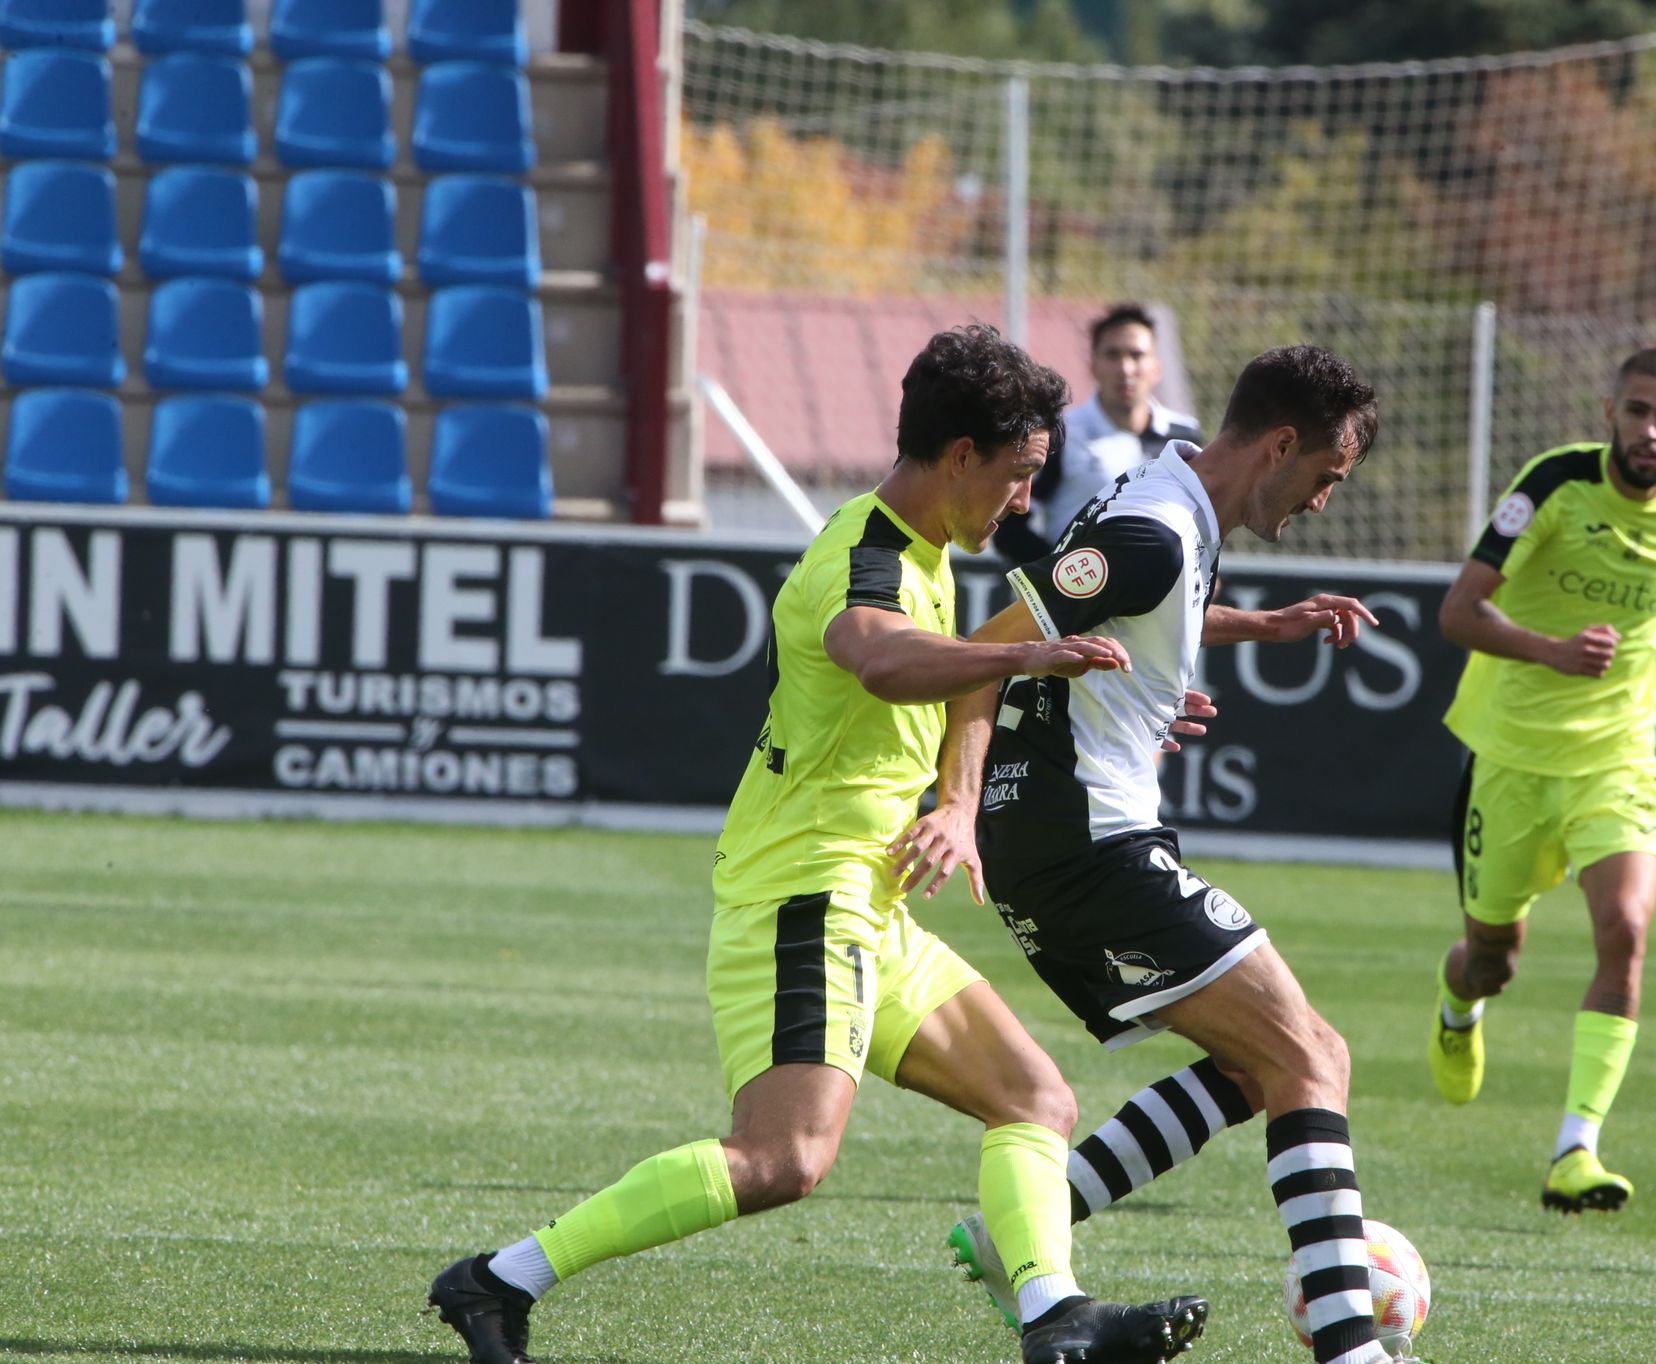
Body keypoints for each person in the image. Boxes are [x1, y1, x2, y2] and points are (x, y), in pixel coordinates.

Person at [425, 325, 1208, 1364]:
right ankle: (498, 1277)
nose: (1026, 500)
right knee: (783, 1156)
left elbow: (967, 674)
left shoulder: (926, 553)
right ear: (961, 454)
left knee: (1033, 1097)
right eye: (1018, 475)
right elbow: (876, 657)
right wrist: (1031, 652)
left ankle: (1053, 1316)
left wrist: (958, 804)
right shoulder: (866, 551)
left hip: (866, 900)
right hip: (806, 894)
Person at [907, 346, 1405, 1364]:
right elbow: (985, 655)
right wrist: (955, 801)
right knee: (1308, 1057)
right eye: (1324, 475)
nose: (1319, 502)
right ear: (1277, 444)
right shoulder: (1153, 527)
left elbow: (1132, 611)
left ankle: (1022, 1236)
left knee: (1262, 1056)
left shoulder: (1170, 494)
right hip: (1081, 838)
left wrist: (1258, 625)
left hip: (1075, 833)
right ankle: (1351, 1347)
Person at [1427, 347, 1656, 1215]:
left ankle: (1576, 1151)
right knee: (1494, 959)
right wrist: (1552, 651)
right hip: (1514, 758)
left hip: (1619, 761)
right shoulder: (1555, 483)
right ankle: (1458, 1006)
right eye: (1637, 411)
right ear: (1610, 410)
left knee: (1627, 931)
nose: (1650, 430)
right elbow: (1458, 613)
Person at [994, 302, 1202, 563]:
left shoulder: (1184, 437)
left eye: (1136, 355)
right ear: (1093, 365)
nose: (1125, 369)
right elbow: (1010, 529)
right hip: (1077, 599)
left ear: (1155, 367)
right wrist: (1064, 580)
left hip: (1157, 601)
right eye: (1113, 355)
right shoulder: (1061, 434)